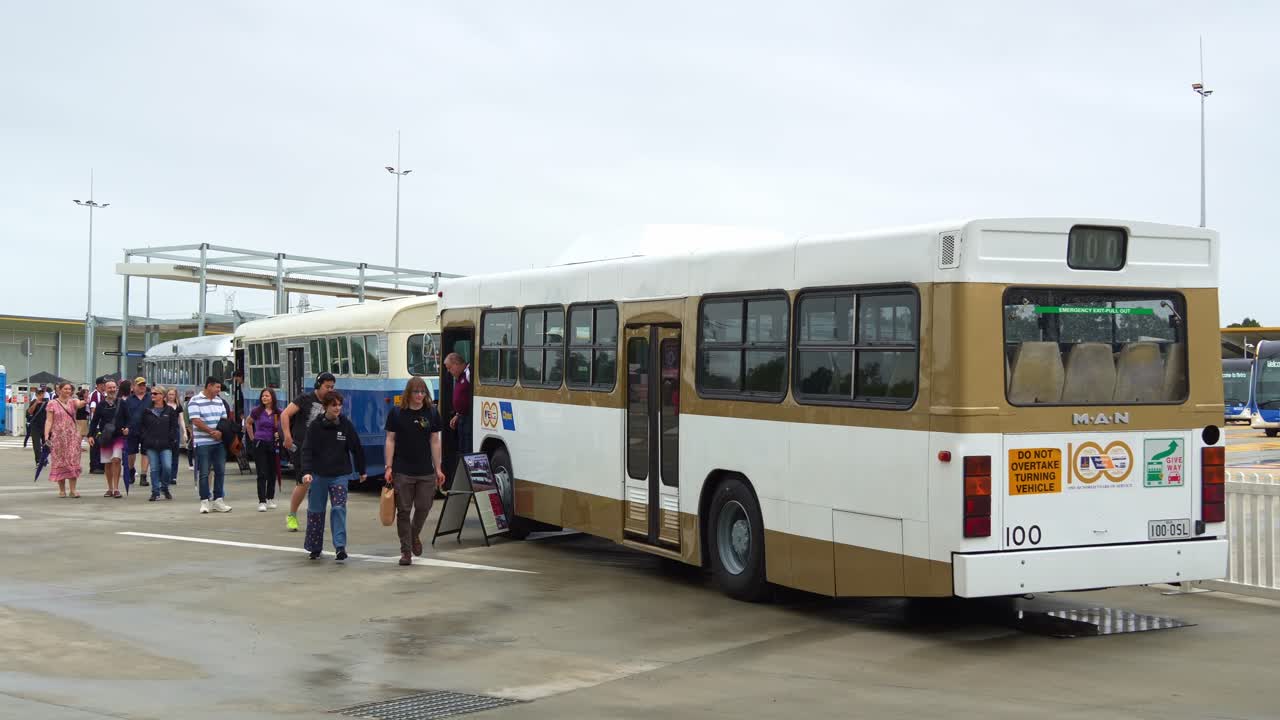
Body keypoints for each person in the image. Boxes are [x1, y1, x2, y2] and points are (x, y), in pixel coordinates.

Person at [384, 377, 446, 566]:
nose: (419, 396)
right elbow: (390, 440)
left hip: (425, 469)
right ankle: (406, 551)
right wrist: (388, 466)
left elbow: (435, 441)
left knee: (424, 506)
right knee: (403, 510)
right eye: (416, 392)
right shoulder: (396, 413)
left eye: (422, 392)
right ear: (408, 393)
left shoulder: (432, 413)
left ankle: (413, 534)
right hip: (403, 469)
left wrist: (438, 468)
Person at [300, 392, 365, 560]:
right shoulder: (315, 426)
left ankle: (340, 547)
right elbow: (307, 450)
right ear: (325, 407)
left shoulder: (345, 425)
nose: (337, 408)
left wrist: (362, 470)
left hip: (340, 474)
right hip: (318, 475)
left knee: (338, 508)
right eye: (333, 405)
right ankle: (315, 547)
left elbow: (356, 447)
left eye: (339, 405)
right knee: (316, 511)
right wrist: (306, 472)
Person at [280, 372, 335, 532]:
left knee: (319, 482)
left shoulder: (330, 403)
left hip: (321, 448)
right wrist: (287, 435)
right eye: (327, 387)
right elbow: (285, 414)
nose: (330, 390)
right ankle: (292, 514)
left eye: (332, 387)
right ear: (318, 385)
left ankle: (315, 516)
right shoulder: (304, 399)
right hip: (302, 447)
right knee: (304, 481)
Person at [188, 377, 232, 514]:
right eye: (217, 387)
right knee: (204, 472)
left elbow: (224, 420)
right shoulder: (195, 400)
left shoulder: (219, 401)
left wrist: (220, 432)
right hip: (203, 443)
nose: (219, 390)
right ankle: (205, 501)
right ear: (209, 386)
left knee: (220, 471)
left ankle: (218, 500)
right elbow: (195, 420)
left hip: (219, 443)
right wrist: (211, 431)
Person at [44, 382, 86, 498]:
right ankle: (62, 490)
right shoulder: (52, 403)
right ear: (59, 390)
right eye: (65, 389)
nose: (68, 391)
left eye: (69, 389)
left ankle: (73, 490)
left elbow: (80, 404)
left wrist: (85, 400)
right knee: (60, 461)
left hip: (72, 436)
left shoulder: (73, 401)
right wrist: (46, 434)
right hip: (58, 437)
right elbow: (49, 420)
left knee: (73, 461)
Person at [138, 386, 179, 501]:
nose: (153, 396)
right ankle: (155, 491)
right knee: (154, 469)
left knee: (167, 467)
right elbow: (142, 426)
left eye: (155, 394)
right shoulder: (147, 411)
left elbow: (174, 426)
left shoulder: (169, 411)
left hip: (166, 444)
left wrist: (172, 439)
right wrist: (144, 438)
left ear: (162, 395)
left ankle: (164, 487)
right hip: (151, 444)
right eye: (152, 394)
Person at [88, 379, 127, 498]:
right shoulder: (101, 405)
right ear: (105, 389)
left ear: (117, 389)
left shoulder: (122, 403)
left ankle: (116, 488)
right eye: (109, 388)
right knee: (108, 463)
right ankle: (109, 488)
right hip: (105, 437)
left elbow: (128, 418)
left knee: (116, 460)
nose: (112, 390)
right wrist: (90, 435)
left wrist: (128, 428)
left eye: (114, 387)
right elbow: (94, 421)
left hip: (118, 436)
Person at [246, 388, 282, 512]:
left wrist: (279, 434)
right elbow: (248, 423)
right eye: (263, 396)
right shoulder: (257, 411)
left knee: (272, 472)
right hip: (260, 443)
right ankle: (262, 501)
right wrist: (252, 438)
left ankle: (270, 498)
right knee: (262, 473)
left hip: (273, 444)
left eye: (267, 396)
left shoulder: (278, 412)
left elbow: (283, 426)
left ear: (272, 397)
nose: (264, 398)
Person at [123, 376, 151, 487]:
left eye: (144, 385)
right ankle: (131, 471)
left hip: (147, 430)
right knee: (131, 452)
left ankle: (143, 476)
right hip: (132, 430)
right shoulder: (129, 400)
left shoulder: (150, 398)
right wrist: (125, 427)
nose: (142, 387)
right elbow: (124, 415)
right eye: (139, 385)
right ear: (134, 386)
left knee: (145, 452)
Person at [444, 353, 473, 455]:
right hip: (461, 417)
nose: (449, 371)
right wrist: (457, 414)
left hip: (469, 418)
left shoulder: (469, 373)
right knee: (461, 448)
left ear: (456, 363)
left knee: (467, 449)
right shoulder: (460, 376)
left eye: (450, 368)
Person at [165, 387, 187, 486]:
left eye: (172, 394)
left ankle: (173, 476)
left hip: (175, 431)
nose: (171, 396)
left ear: (175, 396)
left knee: (175, 455)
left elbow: (181, 420)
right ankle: (167, 475)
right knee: (167, 454)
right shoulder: (163, 405)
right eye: (169, 394)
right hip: (165, 432)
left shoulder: (178, 406)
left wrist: (184, 432)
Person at [87, 377, 106, 474]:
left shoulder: (103, 394)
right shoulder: (95, 395)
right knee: (95, 445)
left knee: (101, 445)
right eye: (103, 384)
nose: (105, 386)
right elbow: (93, 408)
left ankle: (101, 465)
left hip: (102, 424)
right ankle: (94, 466)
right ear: (99, 385)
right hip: (96, 424)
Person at [25, 386, 48, 466]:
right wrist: (35, 403)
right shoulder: (34, 402)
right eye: (39, 393)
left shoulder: (48, 402)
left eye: (42, 393)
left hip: (45, 426)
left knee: (46, 444)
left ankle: (44, 458)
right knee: (36, 444)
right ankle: (38, 460)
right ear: (36, 394)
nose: (41, 395)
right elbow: (30, 412)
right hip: (35, 426)